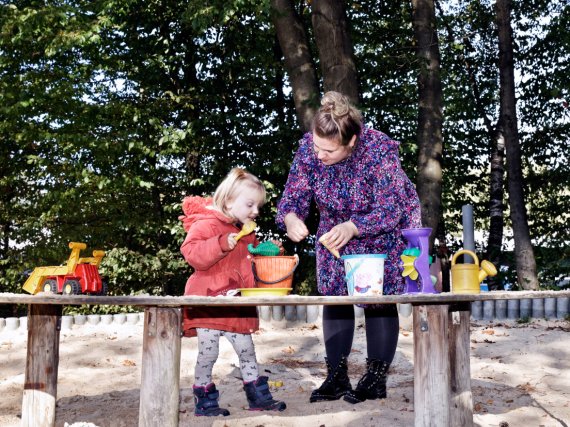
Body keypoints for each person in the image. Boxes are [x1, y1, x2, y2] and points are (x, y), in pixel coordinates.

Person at [276, 91, 421, 404]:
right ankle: (337, 376)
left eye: (328, 150)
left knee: (376, 299)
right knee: (335, 296)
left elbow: (390, 208)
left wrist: (354, 227)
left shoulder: (378, 149)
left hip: (381, 227)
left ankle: (375, 379)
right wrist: (290, 218)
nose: (319, 154)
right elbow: (293, 195)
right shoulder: (308, 148)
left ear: (351, 142)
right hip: (334, 229)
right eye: (316, 145)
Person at [180, 168, 286, 416]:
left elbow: (256, 257)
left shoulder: (246, 232)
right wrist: (219, 244)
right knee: (209, 353)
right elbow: (192, 254)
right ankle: (204, 399)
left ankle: (256, 395)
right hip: (209, 301)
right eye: (250, 204)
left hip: (236, 302)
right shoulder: (205, 224)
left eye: (257, 206)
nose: (255, 211)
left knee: (247, 350)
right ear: (228, 200)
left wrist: (271, 249)